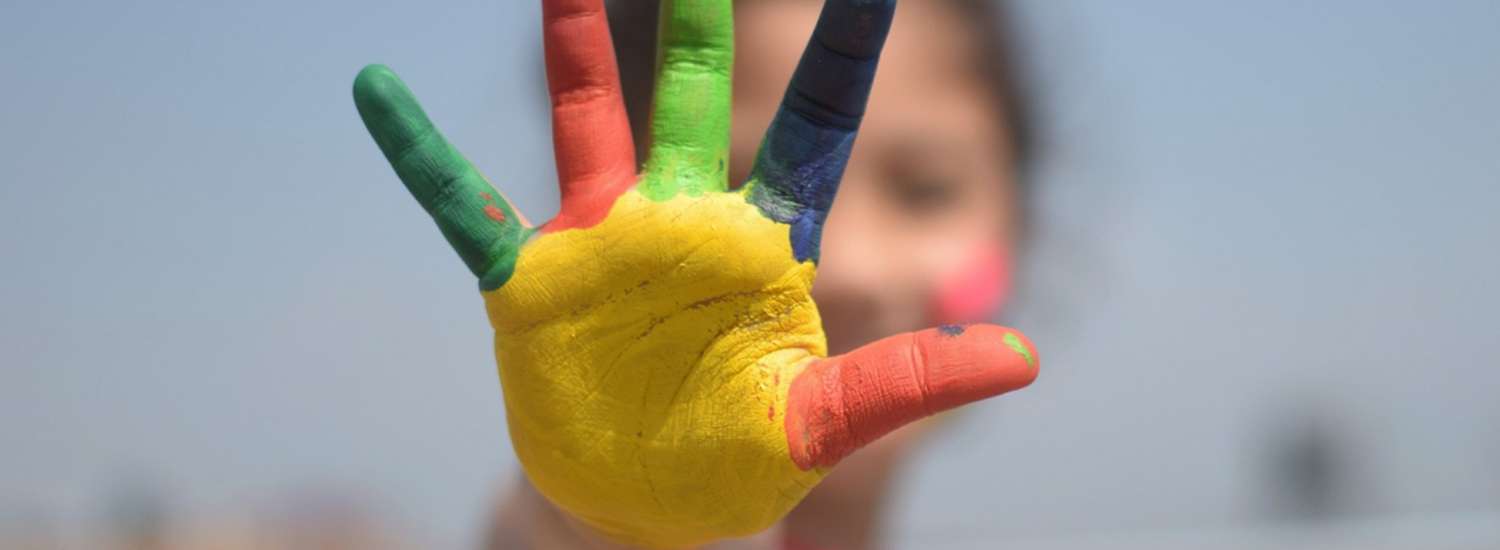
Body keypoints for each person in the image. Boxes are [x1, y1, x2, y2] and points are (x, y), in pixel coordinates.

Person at [353, 0, 1035, 548]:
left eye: (925, 189)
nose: (851, 269)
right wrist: (611, 520)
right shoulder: (610, 523)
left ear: (1020, 218)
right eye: (740, 186)